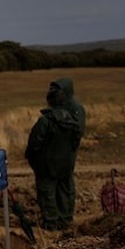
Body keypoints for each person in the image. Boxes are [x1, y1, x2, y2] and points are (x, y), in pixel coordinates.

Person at [24, 78, 85, 231]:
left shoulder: (46, 120)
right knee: (65, 190)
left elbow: (34, 144)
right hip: (66, 161)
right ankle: (65, 220)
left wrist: (33, 158)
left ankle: (51, 223)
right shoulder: (74, 116)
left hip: (47, 163)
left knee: (47, 191)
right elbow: (77, 137)